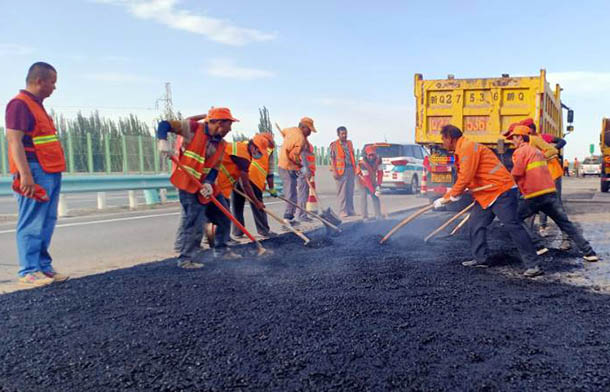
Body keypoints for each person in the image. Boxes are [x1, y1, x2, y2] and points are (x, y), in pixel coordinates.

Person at [433, 124, 543, 277]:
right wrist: (453, 194)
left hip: (501, 190)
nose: (442, 143)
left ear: (450, 138)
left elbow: (466, 176)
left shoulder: (467, 147)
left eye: (443, 139)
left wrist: (447, 198)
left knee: (512, 225)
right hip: (486, 194)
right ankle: (481, 259)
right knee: (475, 224)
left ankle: (533, 265)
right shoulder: (462, 149)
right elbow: (469, 177)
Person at [5, 62, 69, 287]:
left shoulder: (37, 105)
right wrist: (25, 176)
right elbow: (14, 141)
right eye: (52, 82)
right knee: (32, 221)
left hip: (49, 170)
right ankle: (29, 270)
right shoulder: (19, 105)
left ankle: (43, 266)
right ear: (39, 81)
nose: (54, 87)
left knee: (46, 221)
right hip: (33, 170)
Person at [157, 107, 236, 268]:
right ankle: (186, 259)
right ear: (219, 123)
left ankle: (221, 250)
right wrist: (162, 140)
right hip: (187, 182)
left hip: (206, 185)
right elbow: (164, 124)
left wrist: (208, 182)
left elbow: (215, 168)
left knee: (224, 214)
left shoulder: (221, 144)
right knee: (194, 220)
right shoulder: (192, 128)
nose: (230, 129)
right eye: (229, 125)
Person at [505, 125, 598, 262]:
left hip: (533, 195)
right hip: (549, 192)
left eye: (513, 137)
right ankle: (589, 253)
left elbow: (517, 173)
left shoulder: (520, 152)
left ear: (520, 137)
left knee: (515, 219)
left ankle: (538, 245)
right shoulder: (537, 152)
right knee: (565, 223)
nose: (512, 141)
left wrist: (506, 184)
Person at [231, 133, 276, 238]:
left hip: (237, 176)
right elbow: (270, 172)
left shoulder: (245, 143)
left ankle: (237, 231)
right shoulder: (268, 150)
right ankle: (263, 230)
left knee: (236, 205)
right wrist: (272, 188)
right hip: (254, 178)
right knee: (258, 204)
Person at [278, 117, 316, 224]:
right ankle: (287, 219)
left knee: (292, 193)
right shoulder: (301, 139)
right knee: (291, 193)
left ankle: (290, 217)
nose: (310, 133)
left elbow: (283, 132)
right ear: (304, 127)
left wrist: (288, 140)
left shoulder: (292, 130)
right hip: (288, 167)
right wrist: (301, 166)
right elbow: (293, 156)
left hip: (284, 165)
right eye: (309, 130)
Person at [329, 126, 359, 217]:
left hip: (350, 169)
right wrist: (334, 171)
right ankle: (342, 211)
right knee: (342, 192)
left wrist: (356, 169)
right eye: (342, 134)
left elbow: (353, 156)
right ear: (338, 135)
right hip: (340, 171)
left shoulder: (349, 143)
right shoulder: (334, 145)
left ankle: (350, 210)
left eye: (345, 133)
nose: (344, 135)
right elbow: (332, 159)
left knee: (350, 191)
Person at [357, 145, 383, 220]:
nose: (371, 157)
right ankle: (365, 217)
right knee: (363, 196)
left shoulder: (379, 159)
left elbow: (380, 173)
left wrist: (378, 185)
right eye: (369, 155)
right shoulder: (362, 163)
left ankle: (378, 215)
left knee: (376, 196)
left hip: (371, 176)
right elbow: (366, 180)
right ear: (366, 155)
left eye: (372, 155)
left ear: (375, 154)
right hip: (361, 178)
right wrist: (373, 190)